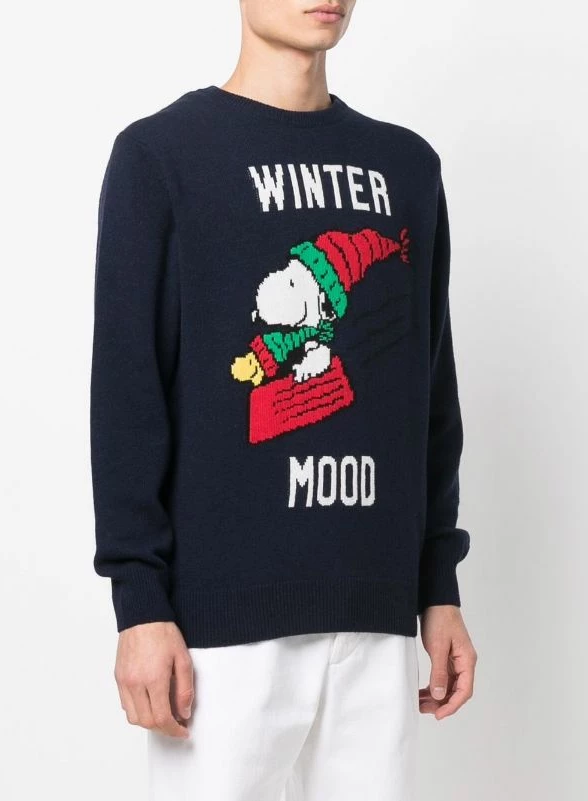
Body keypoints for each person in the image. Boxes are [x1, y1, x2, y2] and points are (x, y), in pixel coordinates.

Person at [90, 1, 477, 799]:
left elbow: (429, 392)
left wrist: (438, 585)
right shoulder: (161, 157)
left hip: (376, 617)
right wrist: (139, 603)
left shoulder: (408, 169)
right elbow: (128, 393)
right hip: (219, 630)